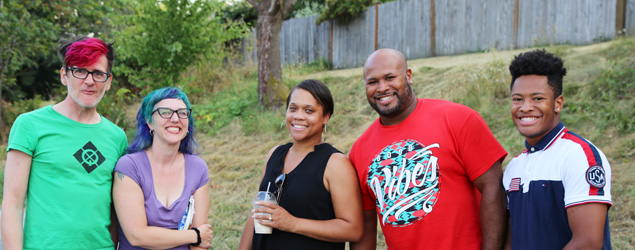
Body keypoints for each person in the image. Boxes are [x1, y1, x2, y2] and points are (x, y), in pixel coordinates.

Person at [349, 48, 509, 250]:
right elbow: (366, 222)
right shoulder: (359, 150)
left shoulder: (457, 119)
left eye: (390, 77)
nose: (382, 88)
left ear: (408, 76)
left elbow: (493, 187)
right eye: (373, 82)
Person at [1, 36, 128, 249]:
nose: (89, 81)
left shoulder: (117, 137)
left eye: (98, 73)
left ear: (108, 82)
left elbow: (116, 209)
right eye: (80, 71)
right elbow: (12, 203)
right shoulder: (30, 125)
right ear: (64, 75)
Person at [503, 49, 612, 249]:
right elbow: (511, 242)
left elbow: (587, 243)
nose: (525, 107)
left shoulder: (579, 156)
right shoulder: (513, 167)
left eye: (537, 99)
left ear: (558, 103)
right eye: (517, 99)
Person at [237, 79, 363, 250]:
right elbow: (258, 213)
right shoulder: (274, 154)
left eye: (309, 110)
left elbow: (353, 229)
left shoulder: (335, 164)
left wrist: (293, 223)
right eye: (293, 108)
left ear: (325, 117)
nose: (298, 116)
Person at [112, 87, 213, 250]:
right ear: (149, 121)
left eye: (182, 113)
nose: (175, 119)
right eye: (165, 112)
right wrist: (194, 235)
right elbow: (137, 236)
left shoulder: (198, 168)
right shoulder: (129, 167)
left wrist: (198, 238)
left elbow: (200, 245)